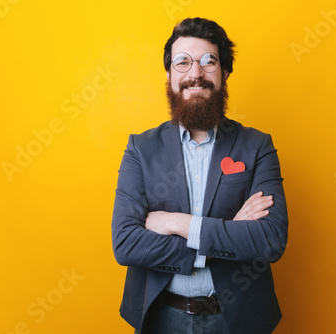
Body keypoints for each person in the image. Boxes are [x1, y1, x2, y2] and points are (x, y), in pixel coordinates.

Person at [111, 17, 289, 334]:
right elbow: (126, 244)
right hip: (161, 317)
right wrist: (230, 233)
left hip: (238, 319)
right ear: (169, 75)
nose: (195, 74)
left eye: (209, 62)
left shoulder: (257, 145)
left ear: (225, 73)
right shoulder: (141, 148)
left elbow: (270, 240)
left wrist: (177, 224)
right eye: (183, 62)